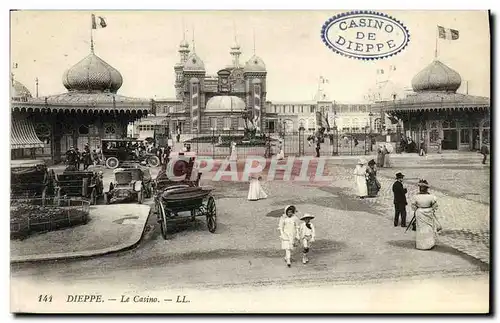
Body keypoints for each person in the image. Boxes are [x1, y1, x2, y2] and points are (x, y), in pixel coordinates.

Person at [411, 179, 441, 250]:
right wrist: (431, 210)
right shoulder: (431, 196)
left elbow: (413, 206)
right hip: (428, 212)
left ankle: (421, 245)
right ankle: (429, 244)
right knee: (429, 229)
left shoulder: (416, 196)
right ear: (427, 188)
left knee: (421, 229)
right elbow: (435, 205)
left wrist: (417, 210)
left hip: (420, 213)